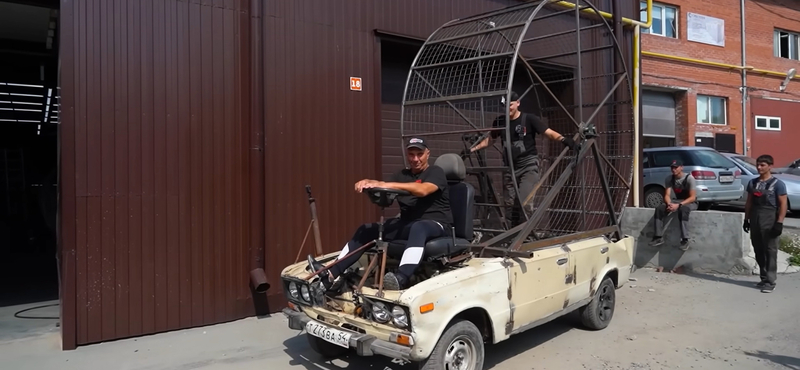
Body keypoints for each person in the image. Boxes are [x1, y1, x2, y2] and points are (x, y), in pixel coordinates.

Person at [308, 137, 453, 291]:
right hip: (409, 224)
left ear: (428, 154)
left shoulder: (436, 172)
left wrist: (385, 184)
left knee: (419, 227)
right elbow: (384, 193)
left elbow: (423, 190)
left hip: (437, 225)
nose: (415, 159)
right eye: (411, 154)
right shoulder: (401, 175)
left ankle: (401, 277)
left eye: (420, 154)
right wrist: (369, 184)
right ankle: (331, 273)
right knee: (366, 229)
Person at [468, 91, 577, 226]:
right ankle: (511, 235)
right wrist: (472, 149)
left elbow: (548, 133)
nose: (507, 108)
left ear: (518, 103)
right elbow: (491, 139)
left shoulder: (529, 119)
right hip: (509, 168)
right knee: (509, 204)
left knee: (524, 202)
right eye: (504, 105)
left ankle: (526, 235)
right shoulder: (500, 121)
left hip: (528, 166)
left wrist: (564, 140)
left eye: (510, 105)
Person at [743, 154, 788, 293]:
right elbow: (749, 202)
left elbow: (783, 204)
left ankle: (770, 280)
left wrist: (779, 223)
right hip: (756, 216)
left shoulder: (778, 184)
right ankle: (763, 277)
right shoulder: (753, 183)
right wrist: (746, 219)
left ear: (770, 166)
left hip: (770, 217)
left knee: (770, 250)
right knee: (758, 248)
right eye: (758, 164)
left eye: (762, 165)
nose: (759, 167)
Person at [649, 159, 697, 251]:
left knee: (683, 210)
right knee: (660, 208)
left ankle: (685, 240)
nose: (673, 169)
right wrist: (669, 203)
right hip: (677, 201)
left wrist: (678, 205)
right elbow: (667, 195)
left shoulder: (689, 178)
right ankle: (658, 237)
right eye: (672, 167)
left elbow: (692, 197)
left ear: (681, 167)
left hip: (689, 202)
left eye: (676, 167)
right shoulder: (669, 179)